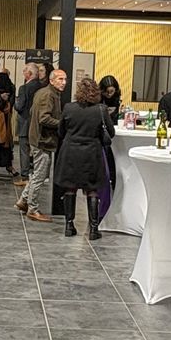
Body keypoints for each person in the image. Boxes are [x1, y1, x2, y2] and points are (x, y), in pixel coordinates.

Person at [55, 76, 113, 237]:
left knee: (70, 188)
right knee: (92, 189)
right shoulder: (101, 110)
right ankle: (94, 229)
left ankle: (69, 226)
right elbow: (111, 133)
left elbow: (61, 131)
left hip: (70, 152)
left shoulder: (68, 108)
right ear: (96, 92)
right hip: (92, 154)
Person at [18, 67, 65, 223]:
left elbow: (33, 111)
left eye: (65, 79)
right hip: (42, 140)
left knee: (39, 173)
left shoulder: (46, 92)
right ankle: (32, 208)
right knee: (40, 175)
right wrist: (62, 124)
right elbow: (43, 118)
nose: (63, 82)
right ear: (52, 80)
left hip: (40, 139)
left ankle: (24, 200)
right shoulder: (48, 95)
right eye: (60, 79)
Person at [13, 62, 43, 183]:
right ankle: (38, 175)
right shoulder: (42, 87)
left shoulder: (24, 88)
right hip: (38, 124)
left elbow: (19, 106)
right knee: (38, 151)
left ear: (29, 74)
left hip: (25, 124)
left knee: (24, 150)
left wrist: (15, 101)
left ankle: (25, 176)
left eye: (25, 71)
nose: (23, 73)